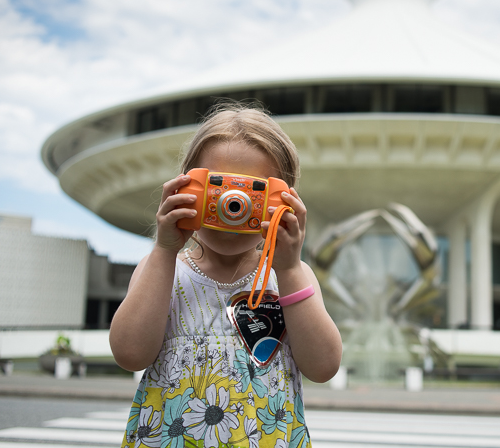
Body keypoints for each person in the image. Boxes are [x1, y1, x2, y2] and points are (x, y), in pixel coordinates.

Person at [110, 103, 343, 448]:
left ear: (286, 200)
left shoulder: (292, 277)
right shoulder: (162, 269)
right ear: (184, 187)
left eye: (253, 194)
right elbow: (129, 353)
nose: (232, 208)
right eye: (216, 190)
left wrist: (290, 268)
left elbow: (323, 367)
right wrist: (164, 250)